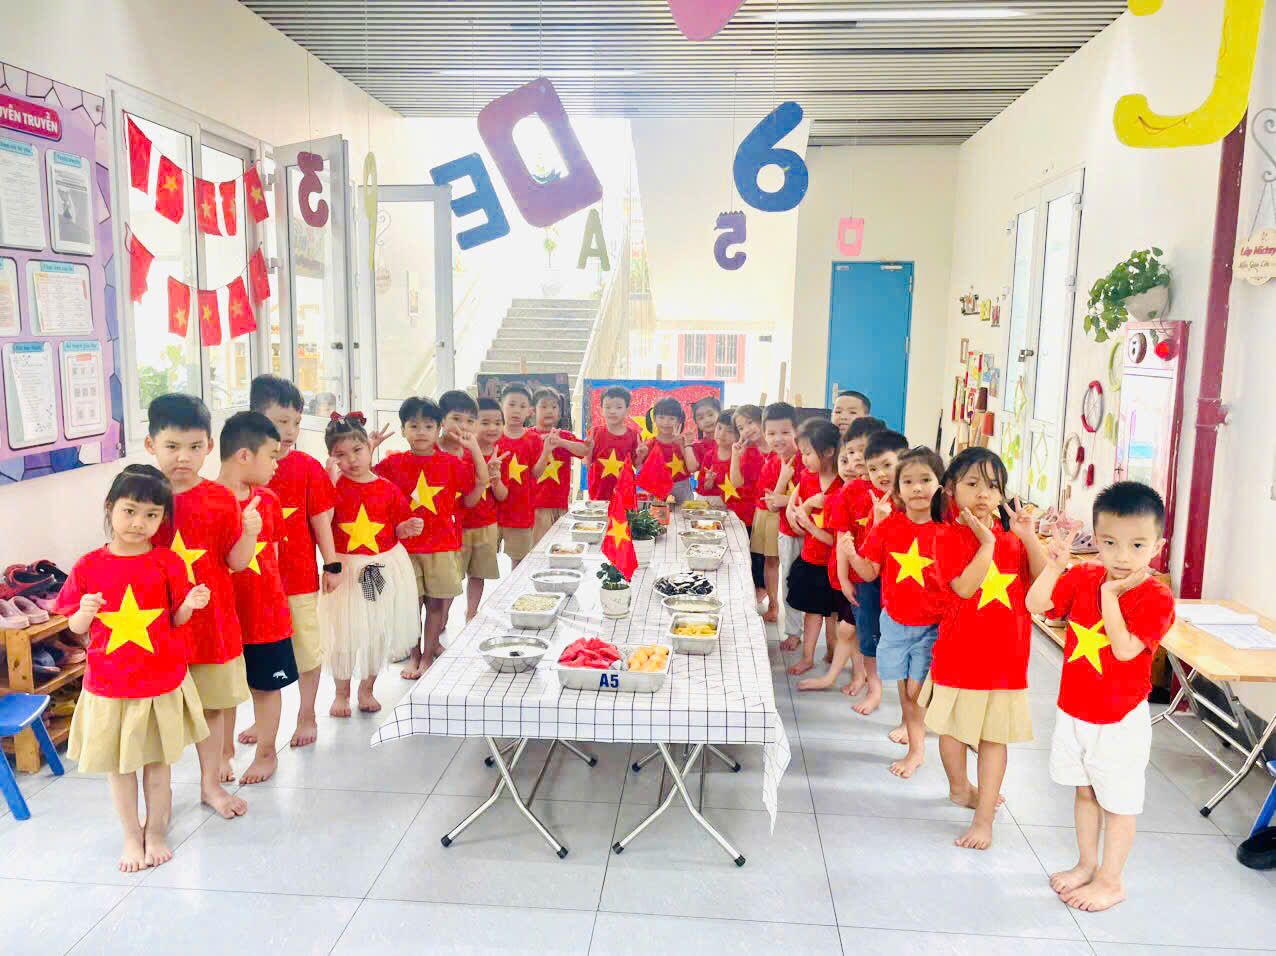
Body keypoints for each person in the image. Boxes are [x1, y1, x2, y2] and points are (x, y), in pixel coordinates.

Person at [1025, 481, 1175, 913]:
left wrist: (1110, 596)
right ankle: (1086, 864)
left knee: (1119, 803)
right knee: (1085, 792)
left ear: (1157, 545)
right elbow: (1036, 604)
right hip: (1075, 709)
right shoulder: (1085, 575)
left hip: (1119, 718)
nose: (1122, 556)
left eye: (1137, 545)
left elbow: (1125, 649)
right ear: (1096, 539)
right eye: (1109, 543)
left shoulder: (1156, 596)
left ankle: (1111, 881)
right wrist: (1054, 567)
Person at [59, 465, 211, 872]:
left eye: (151, 514)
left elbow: (175, 620)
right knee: (120, 768)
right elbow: (75, 628)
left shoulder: (168, 562)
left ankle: (156, 831)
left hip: (159, 680)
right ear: (110, 508)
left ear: (163, 518)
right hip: (110, 684)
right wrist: (85, 612)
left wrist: (189, 604)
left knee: (158, 765)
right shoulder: (89, 565)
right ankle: (131, 834)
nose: (138, 523)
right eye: (129, 511)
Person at [922, 448, 1047, 850]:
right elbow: (963, 587)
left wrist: (1028, 537)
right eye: (972, 483)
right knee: (953, 731)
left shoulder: (1013, 538)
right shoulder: (945, 535)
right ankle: (960, 788)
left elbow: (1044, 584)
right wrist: (988, 544)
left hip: (1006, 658)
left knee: (995, 738)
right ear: (950, 488)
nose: (983, 494)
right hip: (959, 654)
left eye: (993, 486)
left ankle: (984, 818)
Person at [147, 394, 253, 819]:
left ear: (209, 446)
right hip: (156, 626)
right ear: (151, 444)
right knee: (159, 713)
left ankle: (210, 784)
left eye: (194, 447)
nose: (183, 457)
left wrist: (250, 531)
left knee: (211, 705)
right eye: (172, 446)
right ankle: (159, 795)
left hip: (212, 623)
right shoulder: (142, 496)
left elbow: (236, 562)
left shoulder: (220, 497)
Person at [847, 446, 947, 778]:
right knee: (905, 689)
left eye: (925, 480)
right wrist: (851, 554)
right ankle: (914, 742)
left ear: (940, 484)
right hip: (895, 623)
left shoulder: (948, 528)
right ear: (898, 490)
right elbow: (869, 572)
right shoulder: (889, 526)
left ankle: (919, 748)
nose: (917, 488)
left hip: (934, 625)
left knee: (917, 690)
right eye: (908, 481)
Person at [249, 375, 338, 750]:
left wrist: (331, 564)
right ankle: (263, 718)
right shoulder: (245, 467)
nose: (289, 431)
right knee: (258, 652)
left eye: (296, 422)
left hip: (298, 579)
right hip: (253, 583)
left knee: (305, 648)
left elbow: (321, 520)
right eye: (281, 421)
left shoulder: (307, 466)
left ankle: (307, 713)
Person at [320, 412, 423, 714]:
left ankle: (367, 689)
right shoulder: (333, 487)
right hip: (343, 568)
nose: (351, 460)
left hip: (375, 569)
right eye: (340, 454)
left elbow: (395, 526)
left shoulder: (386, 487)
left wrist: (405, 528)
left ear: (369, 447)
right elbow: (322, 522)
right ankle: (341, 693)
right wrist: (328, 482)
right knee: (345, 632)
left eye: (357, 450)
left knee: (375, 627)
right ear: (331, 458)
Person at [376, 396, 484, 679]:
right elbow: (366, 481)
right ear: (403, 430)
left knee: (436, 604)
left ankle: (427, 657)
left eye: (428, 426)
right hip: (406, 549)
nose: (421, 432)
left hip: (442, 546)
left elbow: (476, 488)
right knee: (411, 605)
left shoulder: (451, 463)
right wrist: (370, 447)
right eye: (413, 426)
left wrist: (474, 450)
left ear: (438, 429)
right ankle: (413, 656)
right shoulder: (393, 463)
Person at [217, 412, 296, 786]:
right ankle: (223, 752)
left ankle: (267, 752)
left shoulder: (268, 500)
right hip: (220, 616)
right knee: (223, 691)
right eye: (272, 456)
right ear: (245, 455)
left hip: (265, 615)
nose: (277, 465)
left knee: (266, 686)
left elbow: (273, 560)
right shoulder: (205, 501)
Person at [839, 428, 908, 716]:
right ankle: (874, 688)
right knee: (868, 635)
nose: (880, 474)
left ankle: (911, 709)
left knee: (906, 641)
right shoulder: (865, 498)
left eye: (887, 465)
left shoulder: (913, 498)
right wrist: (844, 577)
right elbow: (858, 544)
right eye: (873, 468)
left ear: (904, 461)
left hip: (905, 584)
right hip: (869, 580)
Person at [797, 434, 863, 691]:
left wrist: (809, 526)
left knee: (852, 628)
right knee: (847, 627)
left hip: (859, 574)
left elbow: (832, 539)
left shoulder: (864, 497)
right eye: (844, 461)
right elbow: (838, 540)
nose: (850, 467)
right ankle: (845, 673)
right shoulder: (837, 497)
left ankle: (859, 675)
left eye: (857, 460)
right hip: (840, 572)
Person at [784, 418, 843, 677]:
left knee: (834, 615)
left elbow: (837, 539)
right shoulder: (807, 479)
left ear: (828, 451)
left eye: (808, 453)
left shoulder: (843, 484)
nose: (804, 459)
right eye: (802, 453)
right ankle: (807, 657)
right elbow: (796, 517)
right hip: (811, 559)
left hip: (836, 563)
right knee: (812, 612)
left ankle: (832, 652)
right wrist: (806, 509)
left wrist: (808, 522)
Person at [754, 402, 804, 648]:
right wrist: (783, 479)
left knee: (816, 585)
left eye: (785, 432)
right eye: (771, 433)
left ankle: (829, 638)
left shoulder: (807, 458)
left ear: (797, 431)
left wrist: (786, 499)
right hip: (788, 532)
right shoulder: (772, 463)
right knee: (788, 581)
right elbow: (771, 506)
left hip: (816, 533)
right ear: (764, 434)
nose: (778, 438)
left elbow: (821, 497)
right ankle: (793, 632)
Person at [459, 397, 508, 620]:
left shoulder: (501, 454)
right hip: (460, 526)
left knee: (478, 575)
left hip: (487, 525)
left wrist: (496, 480)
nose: (492, 428)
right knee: (452, 578)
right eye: (485, 422)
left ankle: (471, 613)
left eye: (498, 423)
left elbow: (503, 495)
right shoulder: (462, 454)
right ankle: (442, 619)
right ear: (471, 424)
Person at [496, 384, 546, 568]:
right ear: (501, 406)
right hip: (491, 513)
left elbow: (536, 473)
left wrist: (547, 451)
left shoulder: (533, 439)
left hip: (521, 513)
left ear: (530, 411)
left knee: (519, 563)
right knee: (480, 567)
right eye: (511, 404)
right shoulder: (493, 436)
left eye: (522, 406)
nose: (516, 410)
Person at [531, 386, 588, 544]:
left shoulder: (565, 436)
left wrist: (561, 442)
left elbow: (584, 451)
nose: (549, 410)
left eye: (554, 407)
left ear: (559, 412)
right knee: (538, 549)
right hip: (536, 507)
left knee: (560, 547)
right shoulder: (528, 436)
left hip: (561, 505)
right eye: (543, 406)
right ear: (533, 411)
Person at [734, 404, 771, 615]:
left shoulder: (778, 448)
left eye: (750, 422)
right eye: (741, 428)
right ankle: (759, 590)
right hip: (754, 510)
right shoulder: (747, 451)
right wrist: (736, 455)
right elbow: (736, 482)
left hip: (777, 510)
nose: (746, 430)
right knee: (756, 555)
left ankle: (772, 599)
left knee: (772, 560)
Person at [586, 385, 644, 500]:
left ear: (627, 410)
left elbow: (637, 465)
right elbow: (588, 464)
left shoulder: (634, 435)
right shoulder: (594, 432)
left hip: (625, 493)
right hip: (599, 493)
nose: (612, 411)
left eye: (618, 407)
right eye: (608, 407)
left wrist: (641, 455)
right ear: (601, 409)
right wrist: (588, 450)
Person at [645, 397, 699, 504]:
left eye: (671, 418)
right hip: (658, 488)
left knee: (684, 513)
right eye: (661, 417)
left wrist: (682, 445)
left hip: (682, 488)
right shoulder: (650, 444)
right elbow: (646, 471)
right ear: (654, 418)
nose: (666, 422)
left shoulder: (685, 442)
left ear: (679, 420)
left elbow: (692, 468)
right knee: (657, 513)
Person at [690, 395, 722, 491]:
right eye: (701, 418)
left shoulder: (733, 443)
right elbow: (692, 468)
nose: (707, 420)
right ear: (697, 424)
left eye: (710, 415)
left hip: (731, 496)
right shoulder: (696, 448)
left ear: (720, 415)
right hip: (706, 495)